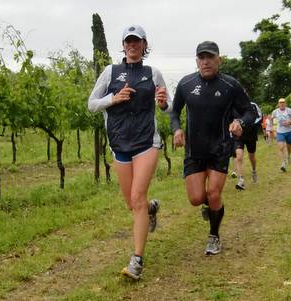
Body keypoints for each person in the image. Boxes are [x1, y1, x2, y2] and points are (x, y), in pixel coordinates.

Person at [88, 24, 172, 280]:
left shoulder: (153, 73)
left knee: (137, 197)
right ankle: (151, 209)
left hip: (147, 141)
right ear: (123, 45)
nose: (132, 45)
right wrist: (113, 99)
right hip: (119, 143)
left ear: (145, 45)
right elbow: (91, 105)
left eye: (137, 41)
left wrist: (164, 103)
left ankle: (137, 260)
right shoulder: (110, 72)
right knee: (132, 204)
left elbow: (169, 107)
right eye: (128, 41)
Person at [169, 41, 256, 255]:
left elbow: (250, 112)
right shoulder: (186, 83)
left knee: (214, 193)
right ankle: (209, 206)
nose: (206, 61)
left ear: (219, 60)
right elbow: (174, 111)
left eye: (210, 57)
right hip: (194, 151)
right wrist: (177, 129)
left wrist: (240, 123)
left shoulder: (230, 85)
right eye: (202, 57)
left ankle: (214, 235)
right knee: (196, 198)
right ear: (197, 61)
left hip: (220, 147)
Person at [233, 101, 262, 190]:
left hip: (251, 135)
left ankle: (254, 171)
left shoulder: (253, 105)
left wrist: (248, 124)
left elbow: (260, 117)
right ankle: (241, 181)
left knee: (252, 157)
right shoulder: (234, 106)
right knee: (239, 156)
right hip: (239, 136)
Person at [271, 98, 291, 172]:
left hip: (288, 131)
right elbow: (270, 119)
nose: (282, 104)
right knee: (281, 147)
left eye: (283, 102)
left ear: (285, 103)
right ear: (278, 104)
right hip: (280, 132)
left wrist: (290, 122)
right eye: (280, 103)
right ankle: (283, 164)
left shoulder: (289, 110)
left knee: (289, 147)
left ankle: (288, 156)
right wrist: (273, 129)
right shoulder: (275, 112)